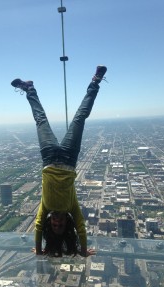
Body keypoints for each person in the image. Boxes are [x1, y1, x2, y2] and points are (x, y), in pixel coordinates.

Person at [11, 65, 107, 257]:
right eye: (61, 224)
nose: (57, 222)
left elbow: (38, 226)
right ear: (66, 222)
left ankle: (29, 88)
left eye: (54, 224)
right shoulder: (71, 207)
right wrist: (82, 250)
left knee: (40, 120)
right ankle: (95, 81)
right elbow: (80, 228)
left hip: (48, 157)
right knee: (80, 118)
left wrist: (39, 250)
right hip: (69, 158)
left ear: (50, 224)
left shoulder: (45, 208)